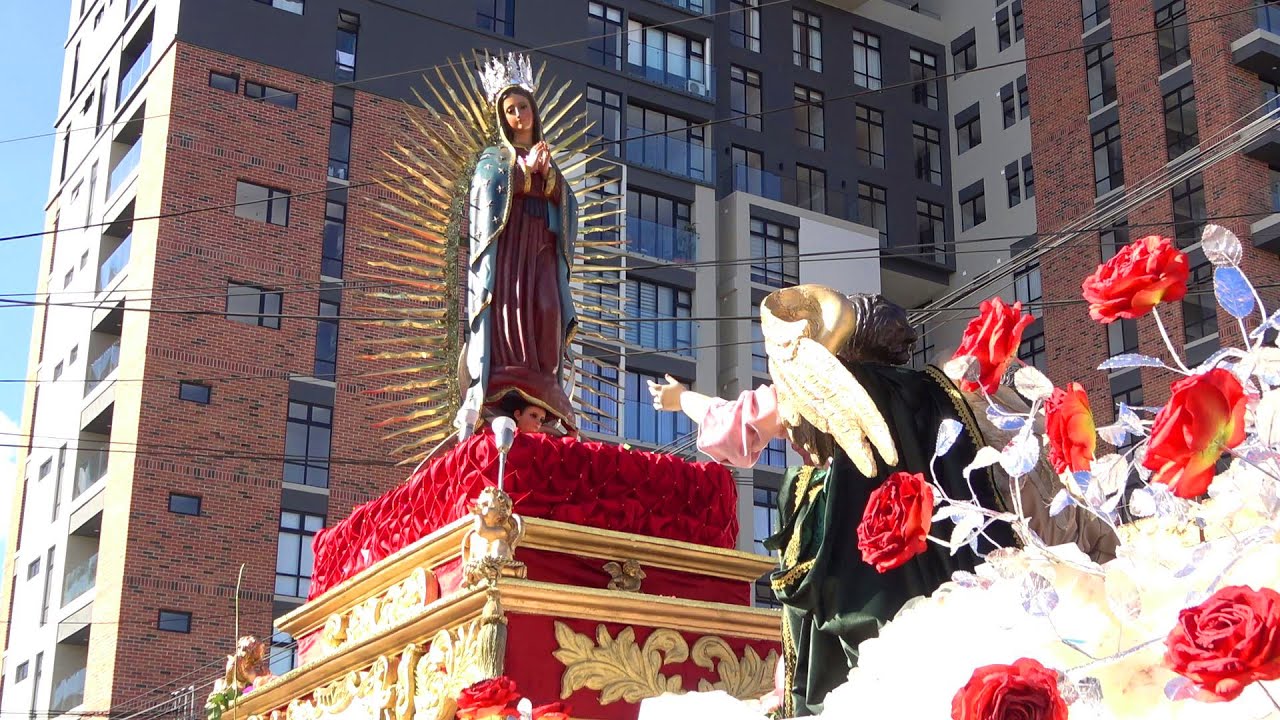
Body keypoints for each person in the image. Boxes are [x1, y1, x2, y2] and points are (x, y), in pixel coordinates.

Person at [649, 287, 1115, 716]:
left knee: (842, 678)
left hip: (855, 563)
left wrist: (681, 397)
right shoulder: (941, 392)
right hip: (939, 557)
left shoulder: (814, 387)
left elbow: (737, 423)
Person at [460, 76, 578, 439]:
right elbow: (484, 192)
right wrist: (524, 175)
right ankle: (508, 370)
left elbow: (569, 206)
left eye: (522, 107)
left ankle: (544, 378)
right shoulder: (493, 158)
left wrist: (550, 178)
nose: (517, 116)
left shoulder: (548, 159)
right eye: (509, 111)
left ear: (534, 110)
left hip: (541, 245)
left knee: (548, 308)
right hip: (510, 250)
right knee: (510, 308)